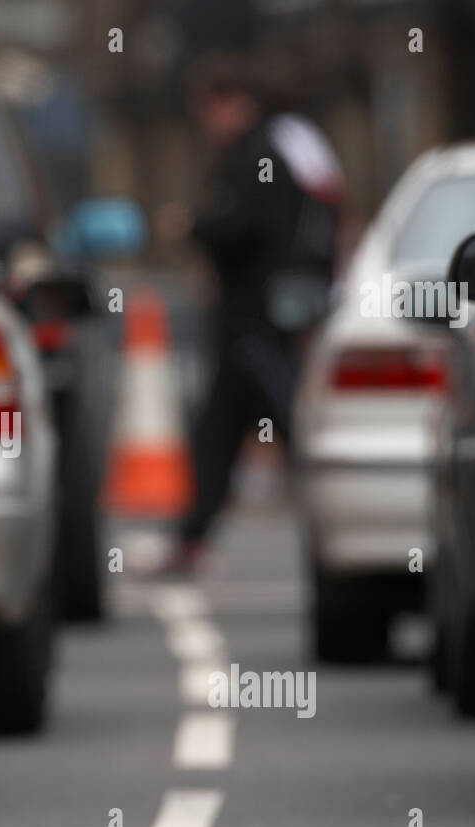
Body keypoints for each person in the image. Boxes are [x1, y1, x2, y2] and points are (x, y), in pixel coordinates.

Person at [170, 52, 340, 572]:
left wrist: (194, 227)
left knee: (289, 423)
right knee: (218, 432)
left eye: (210, 109)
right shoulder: (279, 145)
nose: (206, 122)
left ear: (232, 104)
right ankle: (191, 539)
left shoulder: (261, 152)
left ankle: (333, 523)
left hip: (257, 321)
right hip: (249, 321)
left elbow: (246, 224)